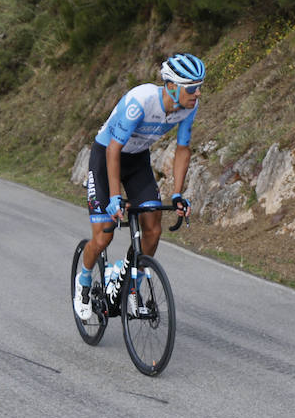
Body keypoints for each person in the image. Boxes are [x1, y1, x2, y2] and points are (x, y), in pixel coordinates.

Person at [74, 52, 205, 322]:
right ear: (172, 86)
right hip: (106, 156)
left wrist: (177, 193)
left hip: (138, 161)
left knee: (153, 227)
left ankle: (132, 286)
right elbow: (113, 150)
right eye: (192, 87)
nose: (198, 93)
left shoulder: (189, 107)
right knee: (103, 237)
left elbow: (183, 149)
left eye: (200, 86)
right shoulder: (140, 101)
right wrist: (113, 197)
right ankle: (83, 281)